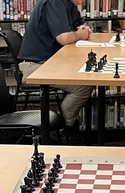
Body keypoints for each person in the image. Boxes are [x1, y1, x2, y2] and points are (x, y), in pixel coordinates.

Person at [17, 0, 94, 142]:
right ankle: (61, 130)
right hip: (35, 67)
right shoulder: (55, 2)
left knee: (86, 75)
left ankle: (63, 127)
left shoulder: (70, 4)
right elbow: (65, 38)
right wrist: (80, 35)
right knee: (84, 85)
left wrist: (82, 31)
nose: (84, 1)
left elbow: (80, 26)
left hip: (51, 63)